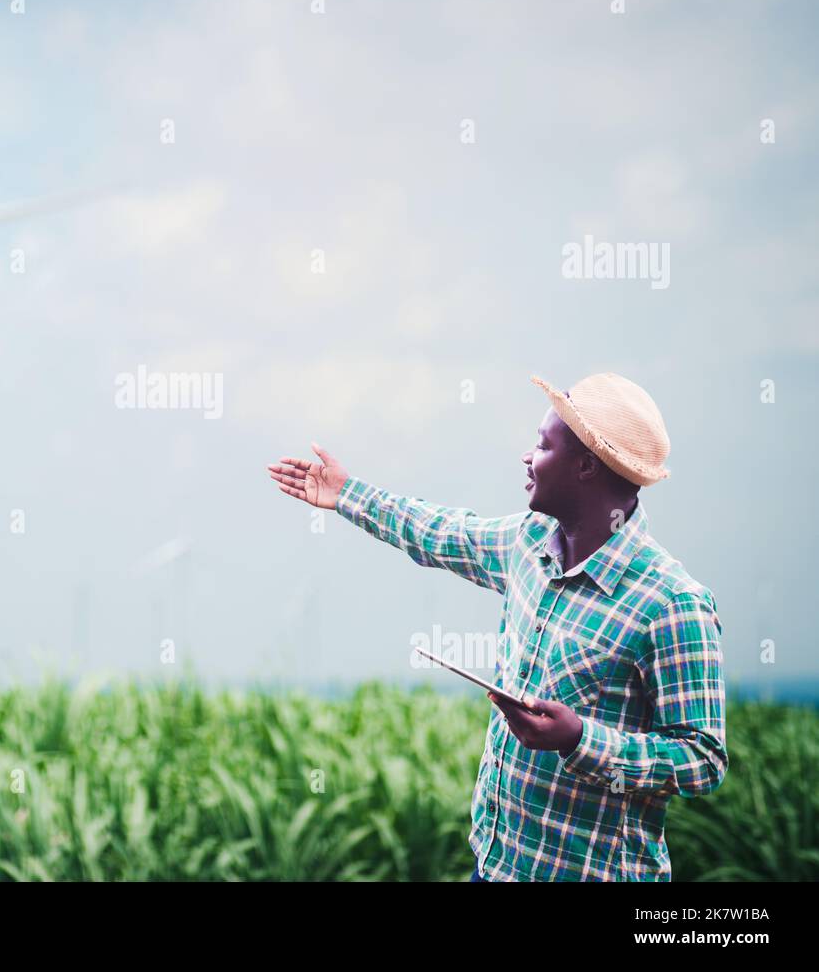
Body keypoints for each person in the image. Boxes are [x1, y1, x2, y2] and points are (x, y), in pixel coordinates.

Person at [267, 372, 727, 882]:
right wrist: (348, 494)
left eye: (541, 445)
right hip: (496, 865)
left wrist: (579, 739)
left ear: (585, 467)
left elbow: (701, 758)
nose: (528, 459)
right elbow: (440, 532)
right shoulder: (528, 543)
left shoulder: (672, 603)